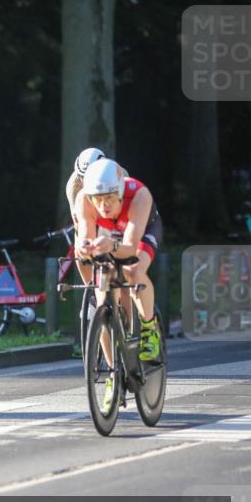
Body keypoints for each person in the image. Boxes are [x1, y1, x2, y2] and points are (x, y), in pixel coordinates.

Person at [76, 158, 164, 408]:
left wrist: (112, 246)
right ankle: (114, 374)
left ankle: (148, 328)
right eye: (97, 199)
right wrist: (84, 248)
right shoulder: (84, 199)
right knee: (103, 294)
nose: (103, 205)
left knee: (134, 271)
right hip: (110, 235)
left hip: (140, 232)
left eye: (109, 199)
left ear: (120, 192)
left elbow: (130, 247)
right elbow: (85, 233)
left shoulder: (139, 195)